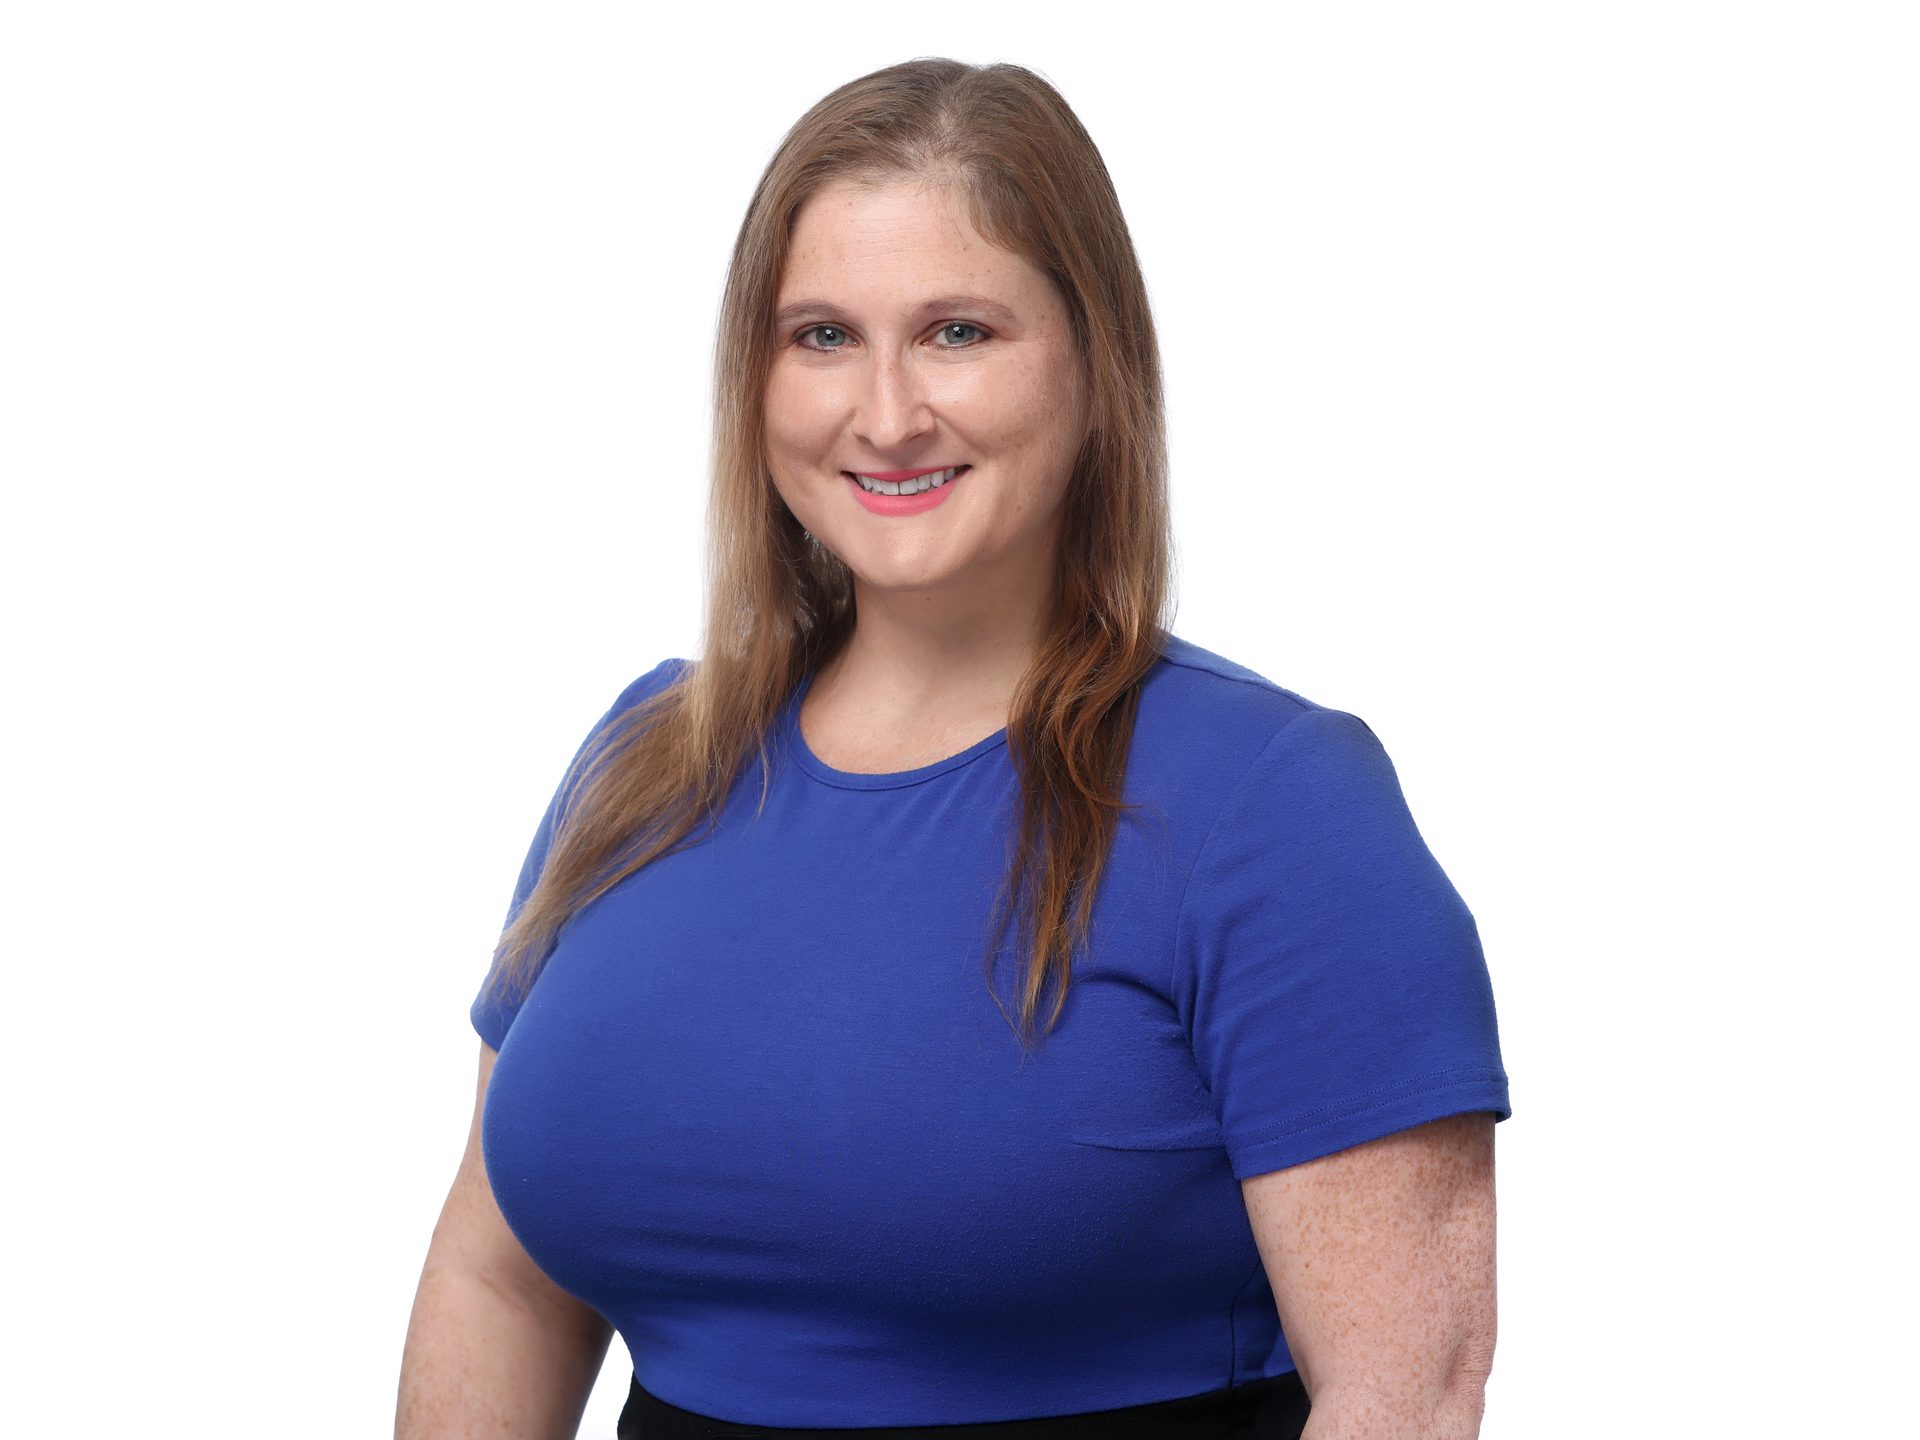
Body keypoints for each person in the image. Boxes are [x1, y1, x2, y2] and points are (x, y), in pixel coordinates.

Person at [397, 57, 1511, 1440]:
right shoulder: (646, 764)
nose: (885, 414)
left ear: (1095, 368)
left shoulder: (1274, 806)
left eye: (958, 332)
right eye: (821, 336)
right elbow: (498, 1283)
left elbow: (1408, 1393)